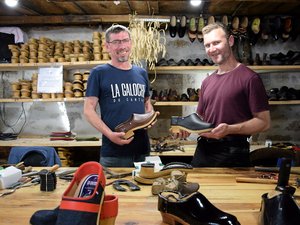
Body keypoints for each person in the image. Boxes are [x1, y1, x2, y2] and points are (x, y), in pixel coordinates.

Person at [174, 22, 271, 167]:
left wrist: (229, 129)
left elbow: (264, 122)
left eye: (216, 43)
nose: (212, 49)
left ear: (230, 41)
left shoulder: (250, 78)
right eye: (207, 45)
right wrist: (186, 128)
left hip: (232, 152)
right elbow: (201, 117)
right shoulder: (207, 81)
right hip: (203, 150)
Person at [84, 24, 156, 167]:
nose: (121, 46)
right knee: (110, 189)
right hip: (113, 153)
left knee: (143, 188)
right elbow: (88, 110)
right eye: (116, 42)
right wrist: (110, 134)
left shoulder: (141, 73)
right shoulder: (99, 73)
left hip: (142, 150)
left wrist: (150, 117)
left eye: (125, 40)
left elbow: (147, 103)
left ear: (131, 43)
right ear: (107, 46)